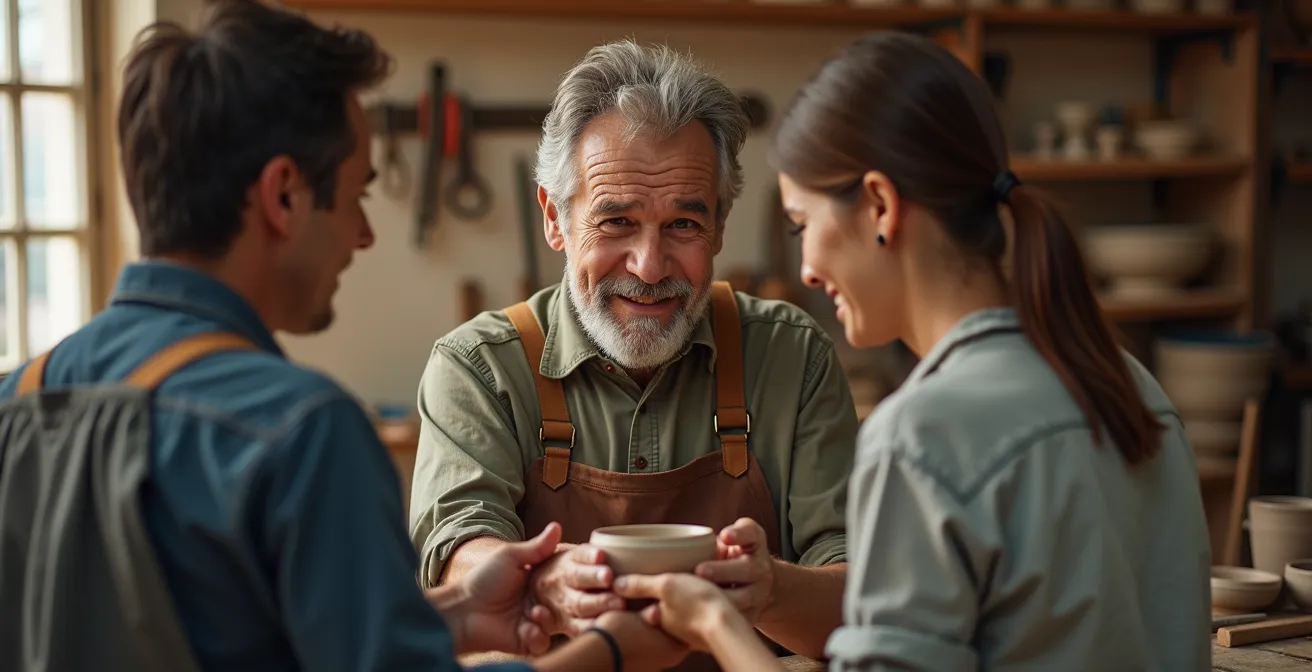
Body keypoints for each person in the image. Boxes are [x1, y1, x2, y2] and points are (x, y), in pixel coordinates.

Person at [0, 2, 686, 671]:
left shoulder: (13, 404)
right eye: (357, 195)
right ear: (285, 195)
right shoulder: (299, 433)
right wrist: (613, 653)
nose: (363, 235)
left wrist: (448, 612)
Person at [612, 31, 1213, 671]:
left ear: (879, 206)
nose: (808, 269)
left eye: (802, 225)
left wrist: (713, 620)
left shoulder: (922, 435)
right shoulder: (1134, 387)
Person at [409, 39, 857, 663]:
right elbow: (458, 556)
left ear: (720, 227)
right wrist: (544, 581)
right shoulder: (478, 367)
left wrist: (772, 589)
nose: (649, 268)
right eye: (616, 222)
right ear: (555, 218)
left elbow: (857, 605)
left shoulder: (792, 355)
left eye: (683, 225)